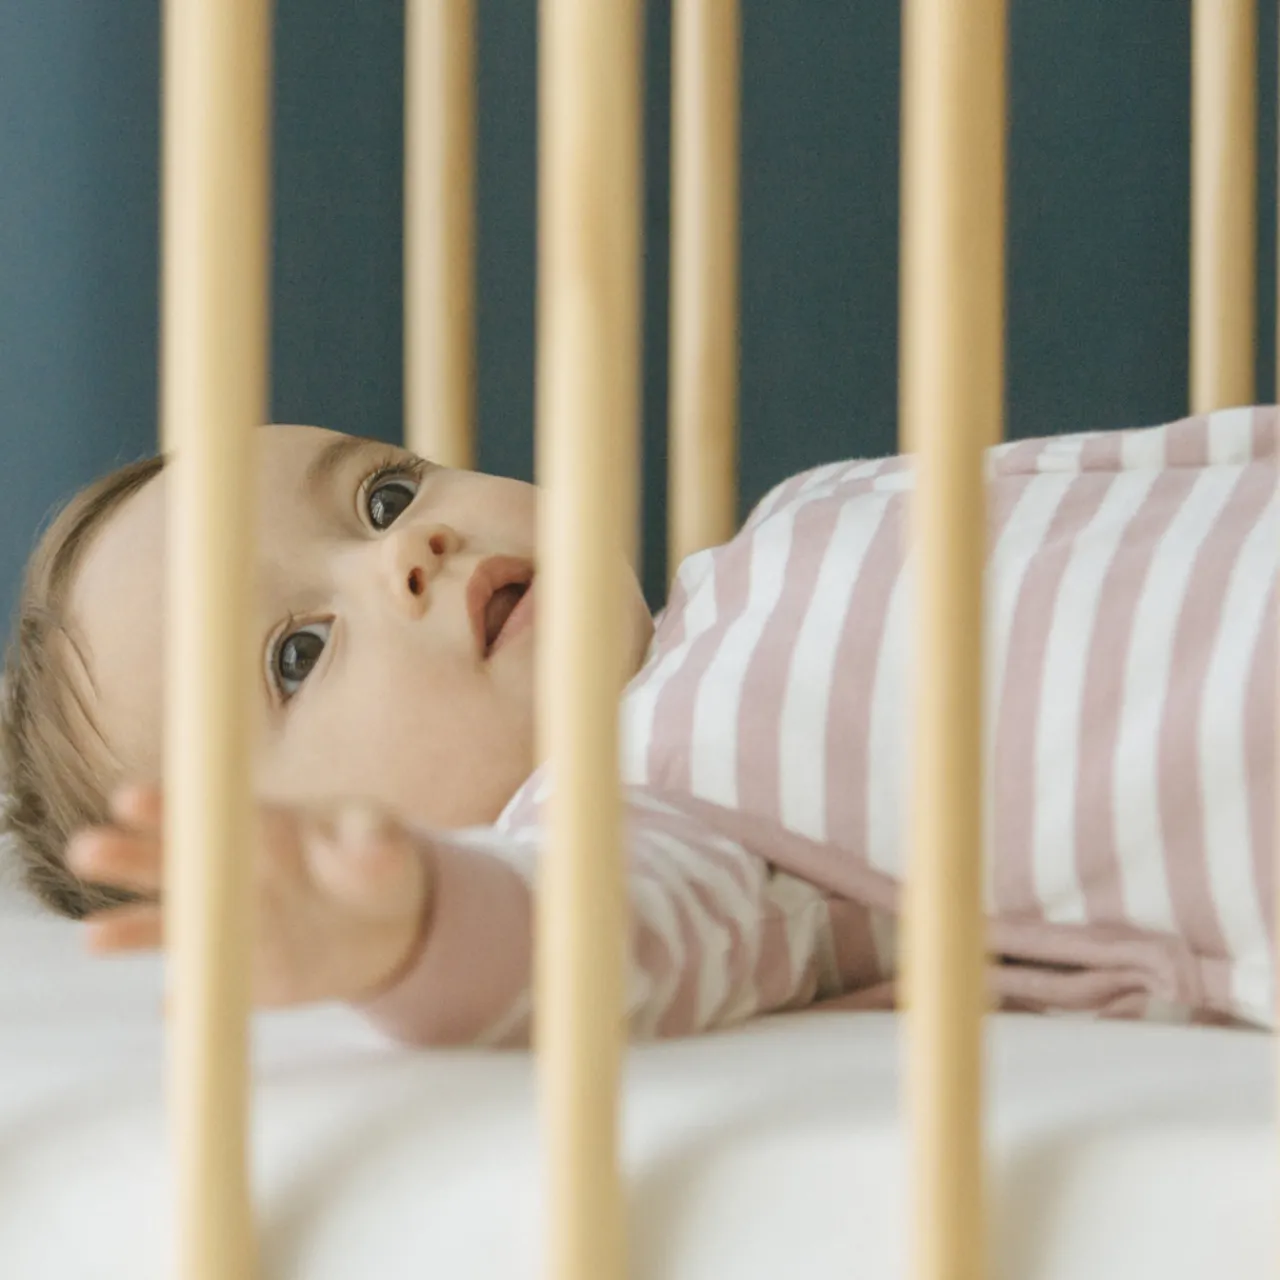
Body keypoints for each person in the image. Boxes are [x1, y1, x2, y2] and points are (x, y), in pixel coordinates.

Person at [3, 408, 1275, 1046]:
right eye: (298, 652)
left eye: (382, 493)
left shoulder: (804, 511)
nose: (407, 548)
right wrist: (408, 925)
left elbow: (1173, 462)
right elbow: (580, 940)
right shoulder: (647, 808)